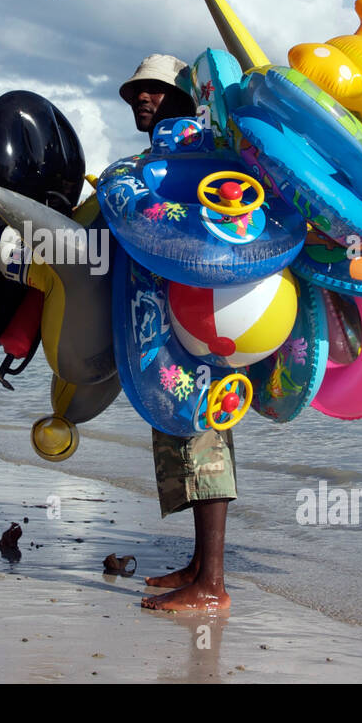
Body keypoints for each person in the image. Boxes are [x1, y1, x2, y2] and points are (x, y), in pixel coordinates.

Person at [120, 54, 238, 611]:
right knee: (178, 428)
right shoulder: (155, 159)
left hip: (200, 321)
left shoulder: (199, 152)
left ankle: (213, 584)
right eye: (137, 92)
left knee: (204, 434)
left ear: (186, 98)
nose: (142, 99)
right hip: (165, 324)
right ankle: (198, 567)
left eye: (156, 91)